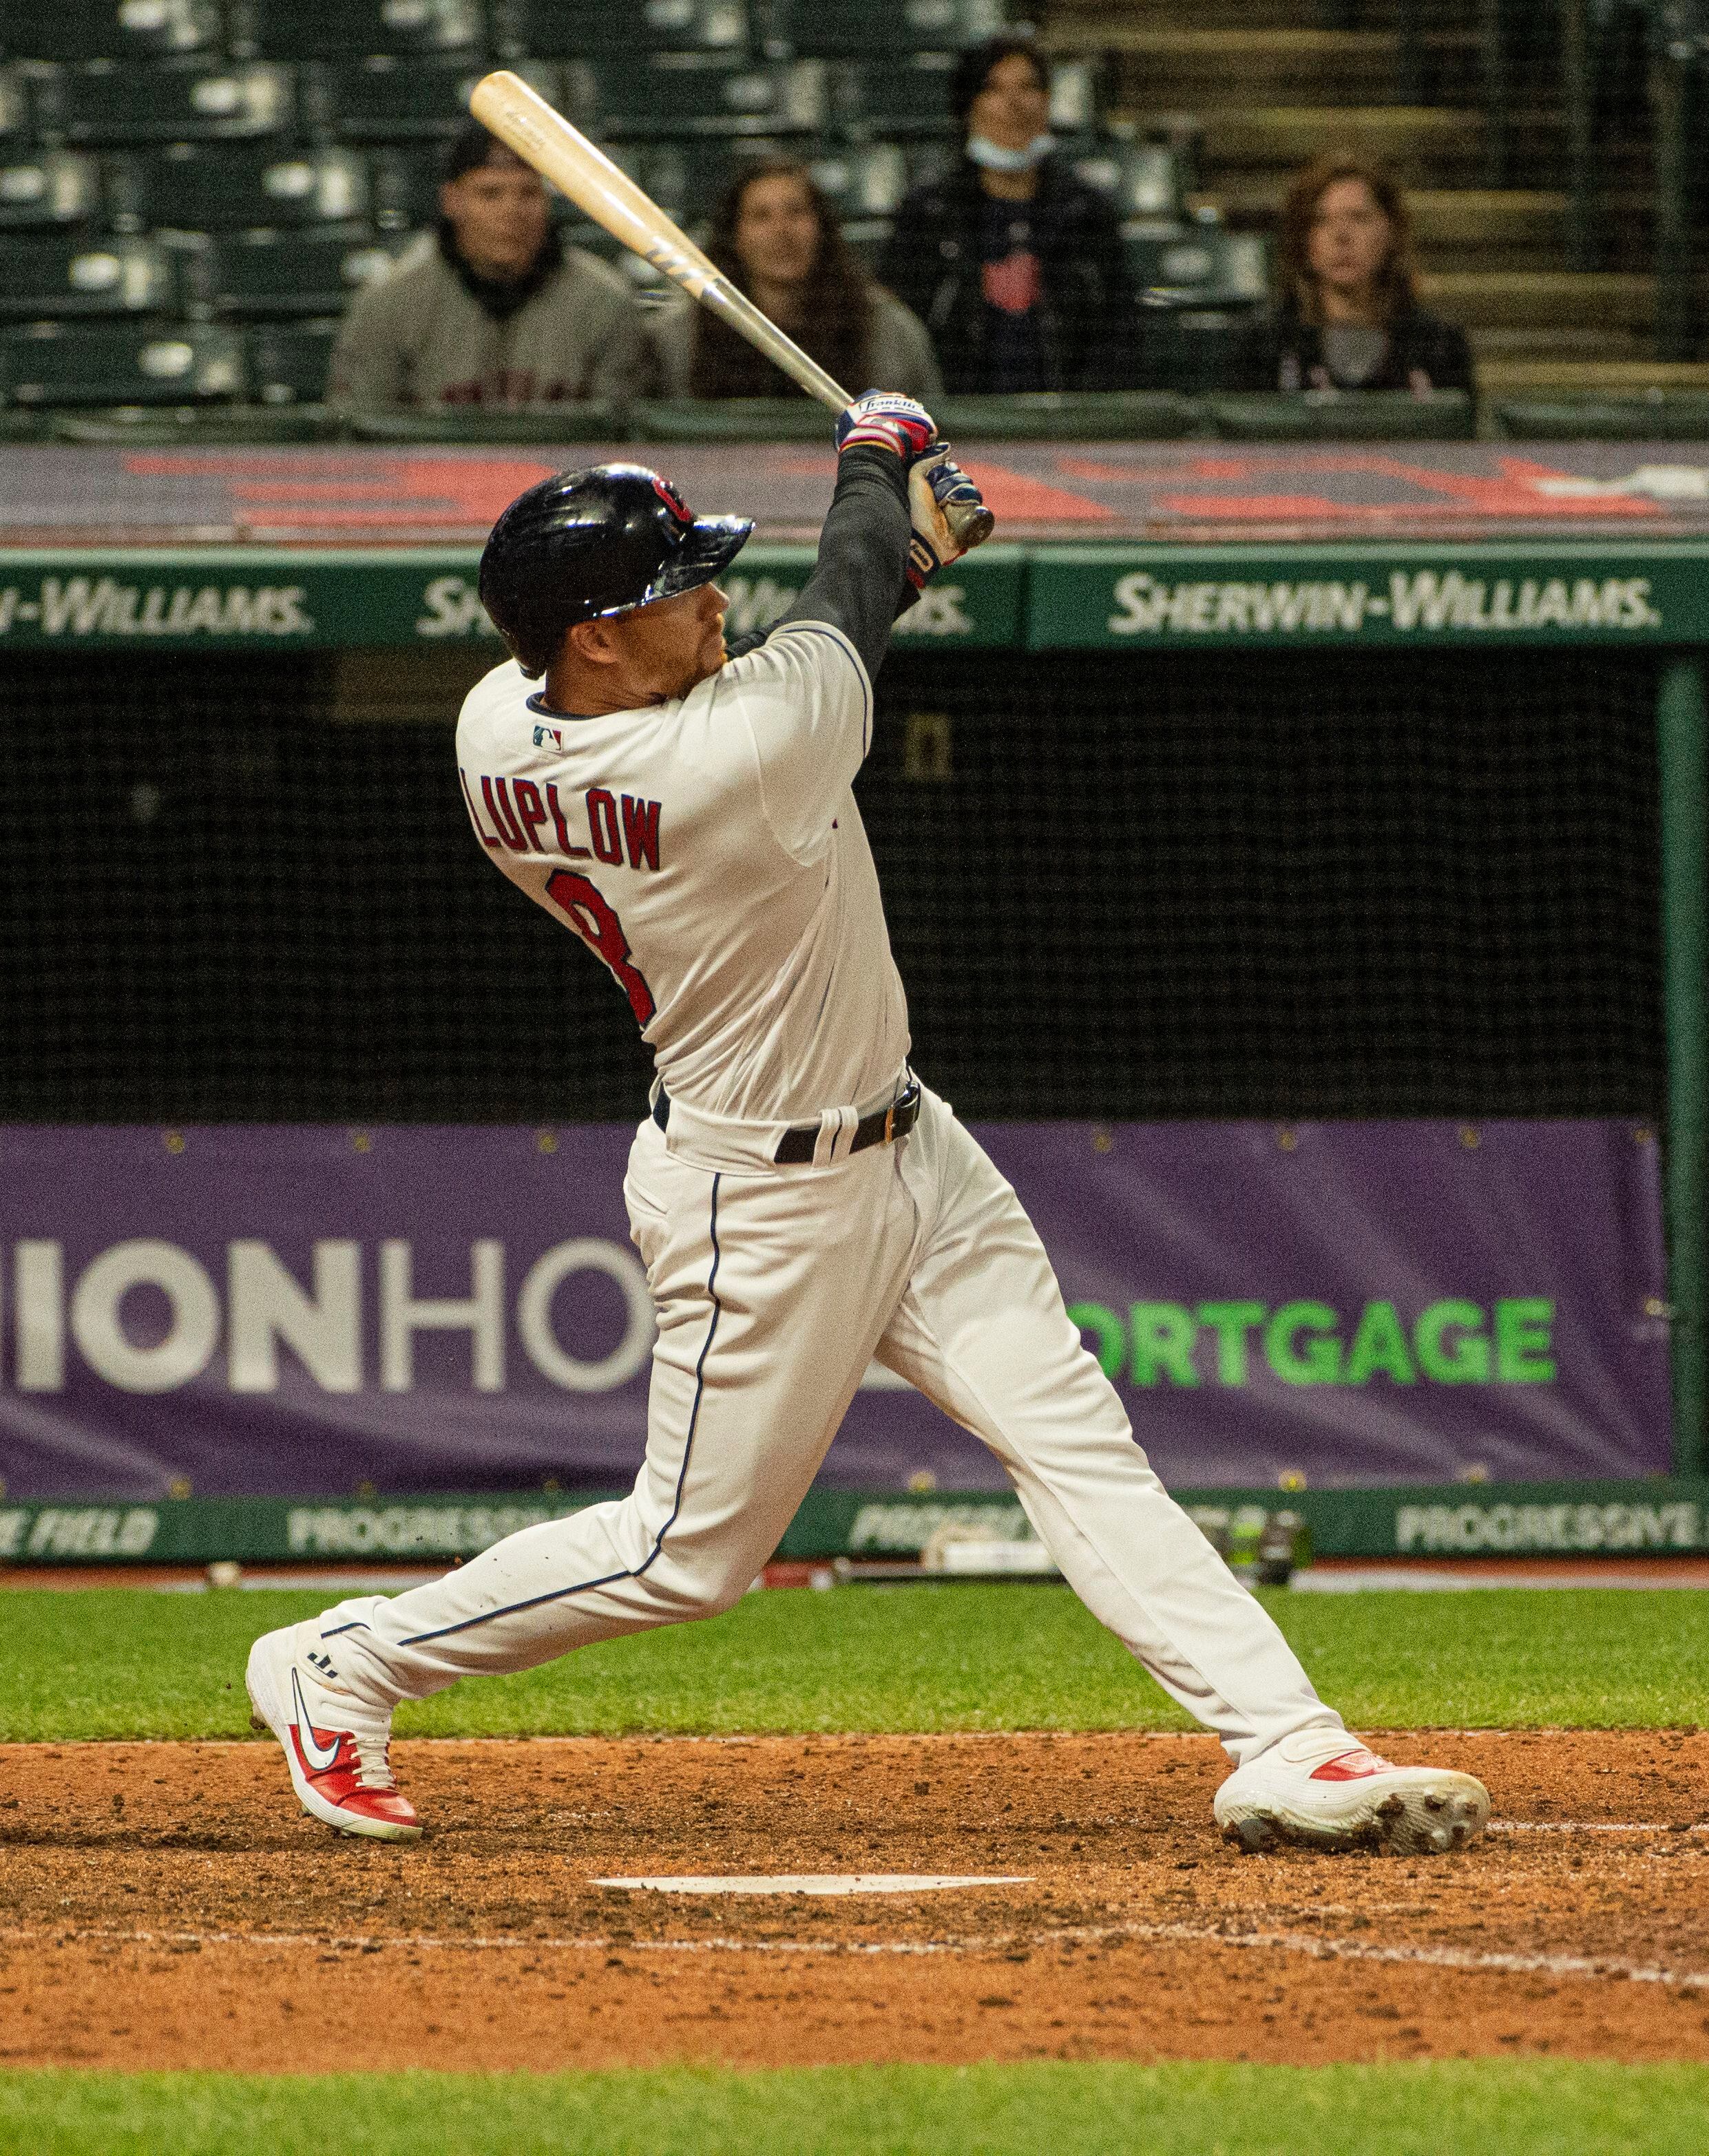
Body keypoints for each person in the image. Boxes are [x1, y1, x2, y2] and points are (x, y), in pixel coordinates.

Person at [244, 391, 1491, 1863]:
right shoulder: (728, 761)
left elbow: (840, 610)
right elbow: (835, 604)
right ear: (591, 637)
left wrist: (903, 543)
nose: (713, 602)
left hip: (909, 1150)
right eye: (676, 589)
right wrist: (876, 457)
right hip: (754, 1197)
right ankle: (347, 1663)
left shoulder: (495, 723)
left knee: (1073, 1438)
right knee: (685, 1556)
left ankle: (1285, 1741)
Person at [879, 32, 1139, 394]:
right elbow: (900, 335)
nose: (1015, 103)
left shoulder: (1088, 212)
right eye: (995, 89)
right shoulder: (928, 214)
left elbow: (1120, 333)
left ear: (1047, 103)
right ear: (969, 106)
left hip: (1069, 425)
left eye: (1029, 87)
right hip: (955, 424)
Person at [328, 120, 650, 411]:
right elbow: (361, 440)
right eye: (490, 194)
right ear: (452, 201)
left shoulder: (605, 301)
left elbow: (625, 443)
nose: (512, 211)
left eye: (529, 193)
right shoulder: (389, 304)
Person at [649, 158, 941, 401]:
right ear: (734, 237)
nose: (782, 230)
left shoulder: (888, 330)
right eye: (761, 216)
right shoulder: (679, 336)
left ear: (821, 228)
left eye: (796, 212)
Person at [1235, 156, 1476, 396]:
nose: (1341, 235)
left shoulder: (1438, 344)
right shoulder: (1264, 343)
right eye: (1322, 221)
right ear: (1304, 239)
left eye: (1359, 218)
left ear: (1391, 233)